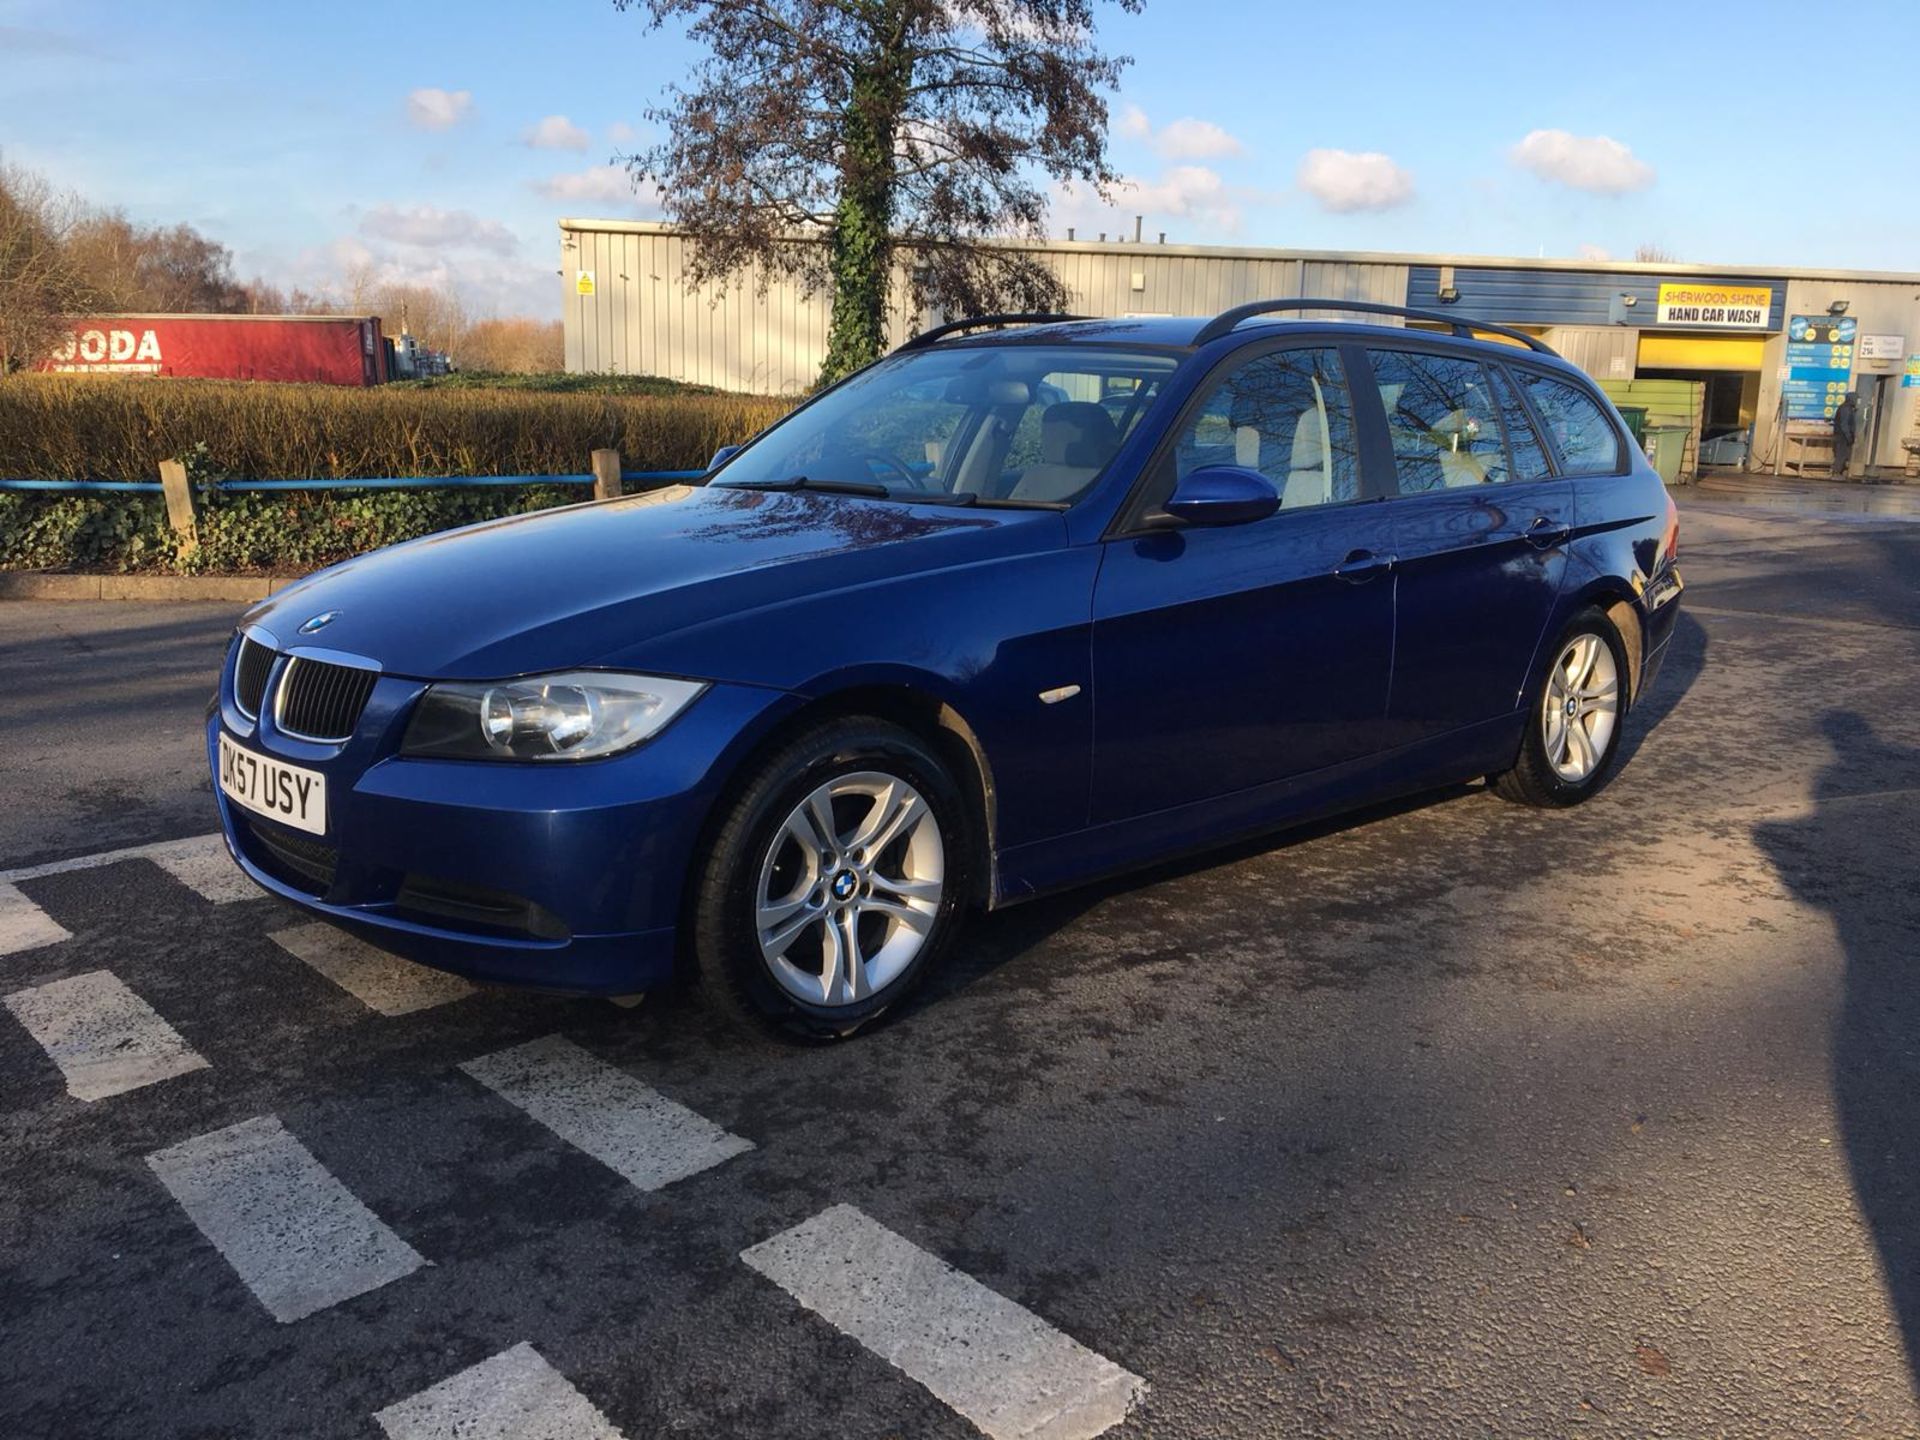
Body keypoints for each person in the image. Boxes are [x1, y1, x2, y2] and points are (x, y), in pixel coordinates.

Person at [1832, 391, 1859, 478]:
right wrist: (1848, 436)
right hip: (1842, 436)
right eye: (1856, 399)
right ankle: (1836, 473)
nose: (1857, 401)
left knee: (1844, 454)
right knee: (1841, 454)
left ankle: (1839, 472)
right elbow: (1844, 424)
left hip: (1844, 435)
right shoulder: (1845, 409)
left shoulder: (1848, 408)